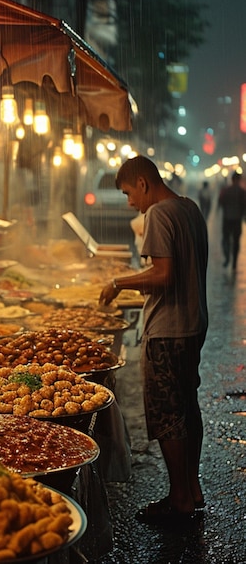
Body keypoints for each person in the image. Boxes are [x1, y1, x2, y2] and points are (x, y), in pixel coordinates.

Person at [98, 155, 208, 526]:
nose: (130, 202)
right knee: (188, 406)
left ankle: (179, 499)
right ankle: (191, 489)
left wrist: (118, 282)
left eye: (130, 193)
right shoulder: (189, 207)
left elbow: (163, 274)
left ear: (143, 183)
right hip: (194, 323)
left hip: (168, 328)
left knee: (167, 413)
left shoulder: (158, 214)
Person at [218, 171, 246, 269]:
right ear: (238, 180)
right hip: (237, 220)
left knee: (226, 240)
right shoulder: (242, 192)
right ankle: (234, 262)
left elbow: (220, 202)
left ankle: (227, 258)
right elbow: (244, 205)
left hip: (227, 219)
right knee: (236, 241)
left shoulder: (226, 190)